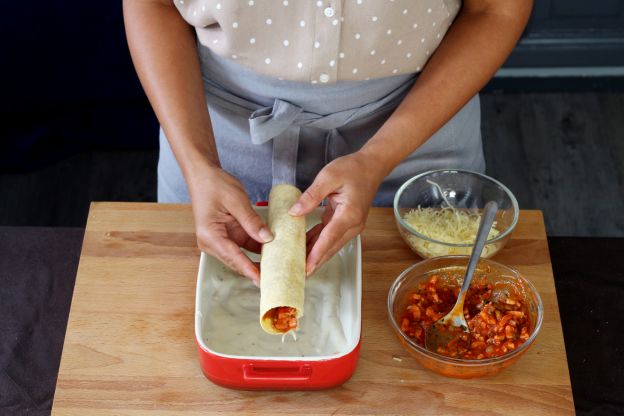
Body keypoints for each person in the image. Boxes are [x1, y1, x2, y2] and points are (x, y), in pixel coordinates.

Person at [123, 0, 532, 286]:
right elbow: (153, 3)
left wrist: (377, 157)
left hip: (416, 134)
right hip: (215, 139)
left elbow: (494, 9)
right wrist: (200, 168)